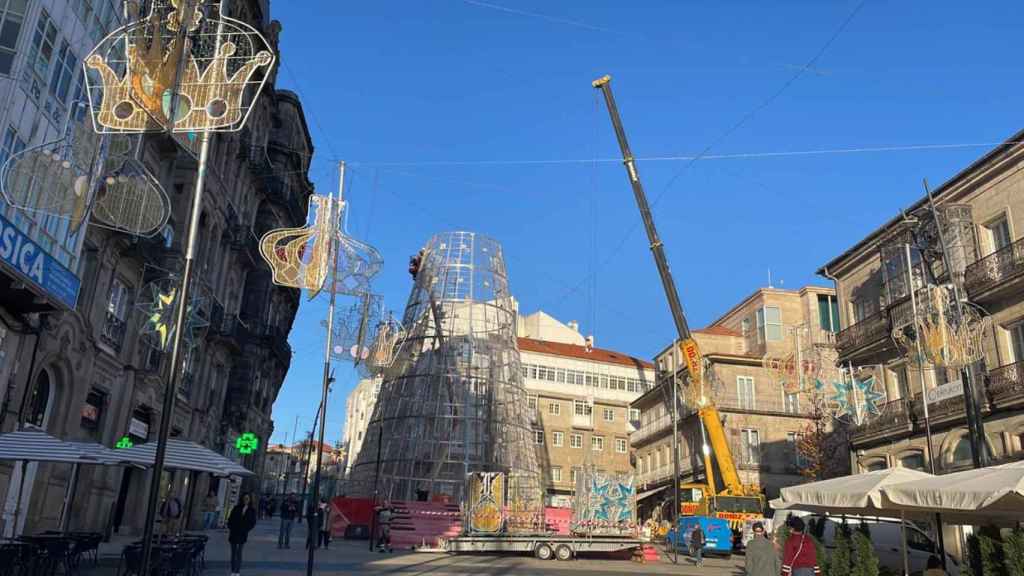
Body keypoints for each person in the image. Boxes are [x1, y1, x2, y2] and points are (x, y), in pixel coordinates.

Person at [227, 493, 257, 576]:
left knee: (239, 552)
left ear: (250, 500)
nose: (246, 500)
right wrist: (230, 527)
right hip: (234, 532)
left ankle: (237, 571)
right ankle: (233, 570)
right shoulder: (236, 508)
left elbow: (253, 522)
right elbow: (230, 518)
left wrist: (246, 529)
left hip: (242, 533)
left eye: (247, 498)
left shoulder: (251, 510)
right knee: (233, 552)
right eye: (244, 498)